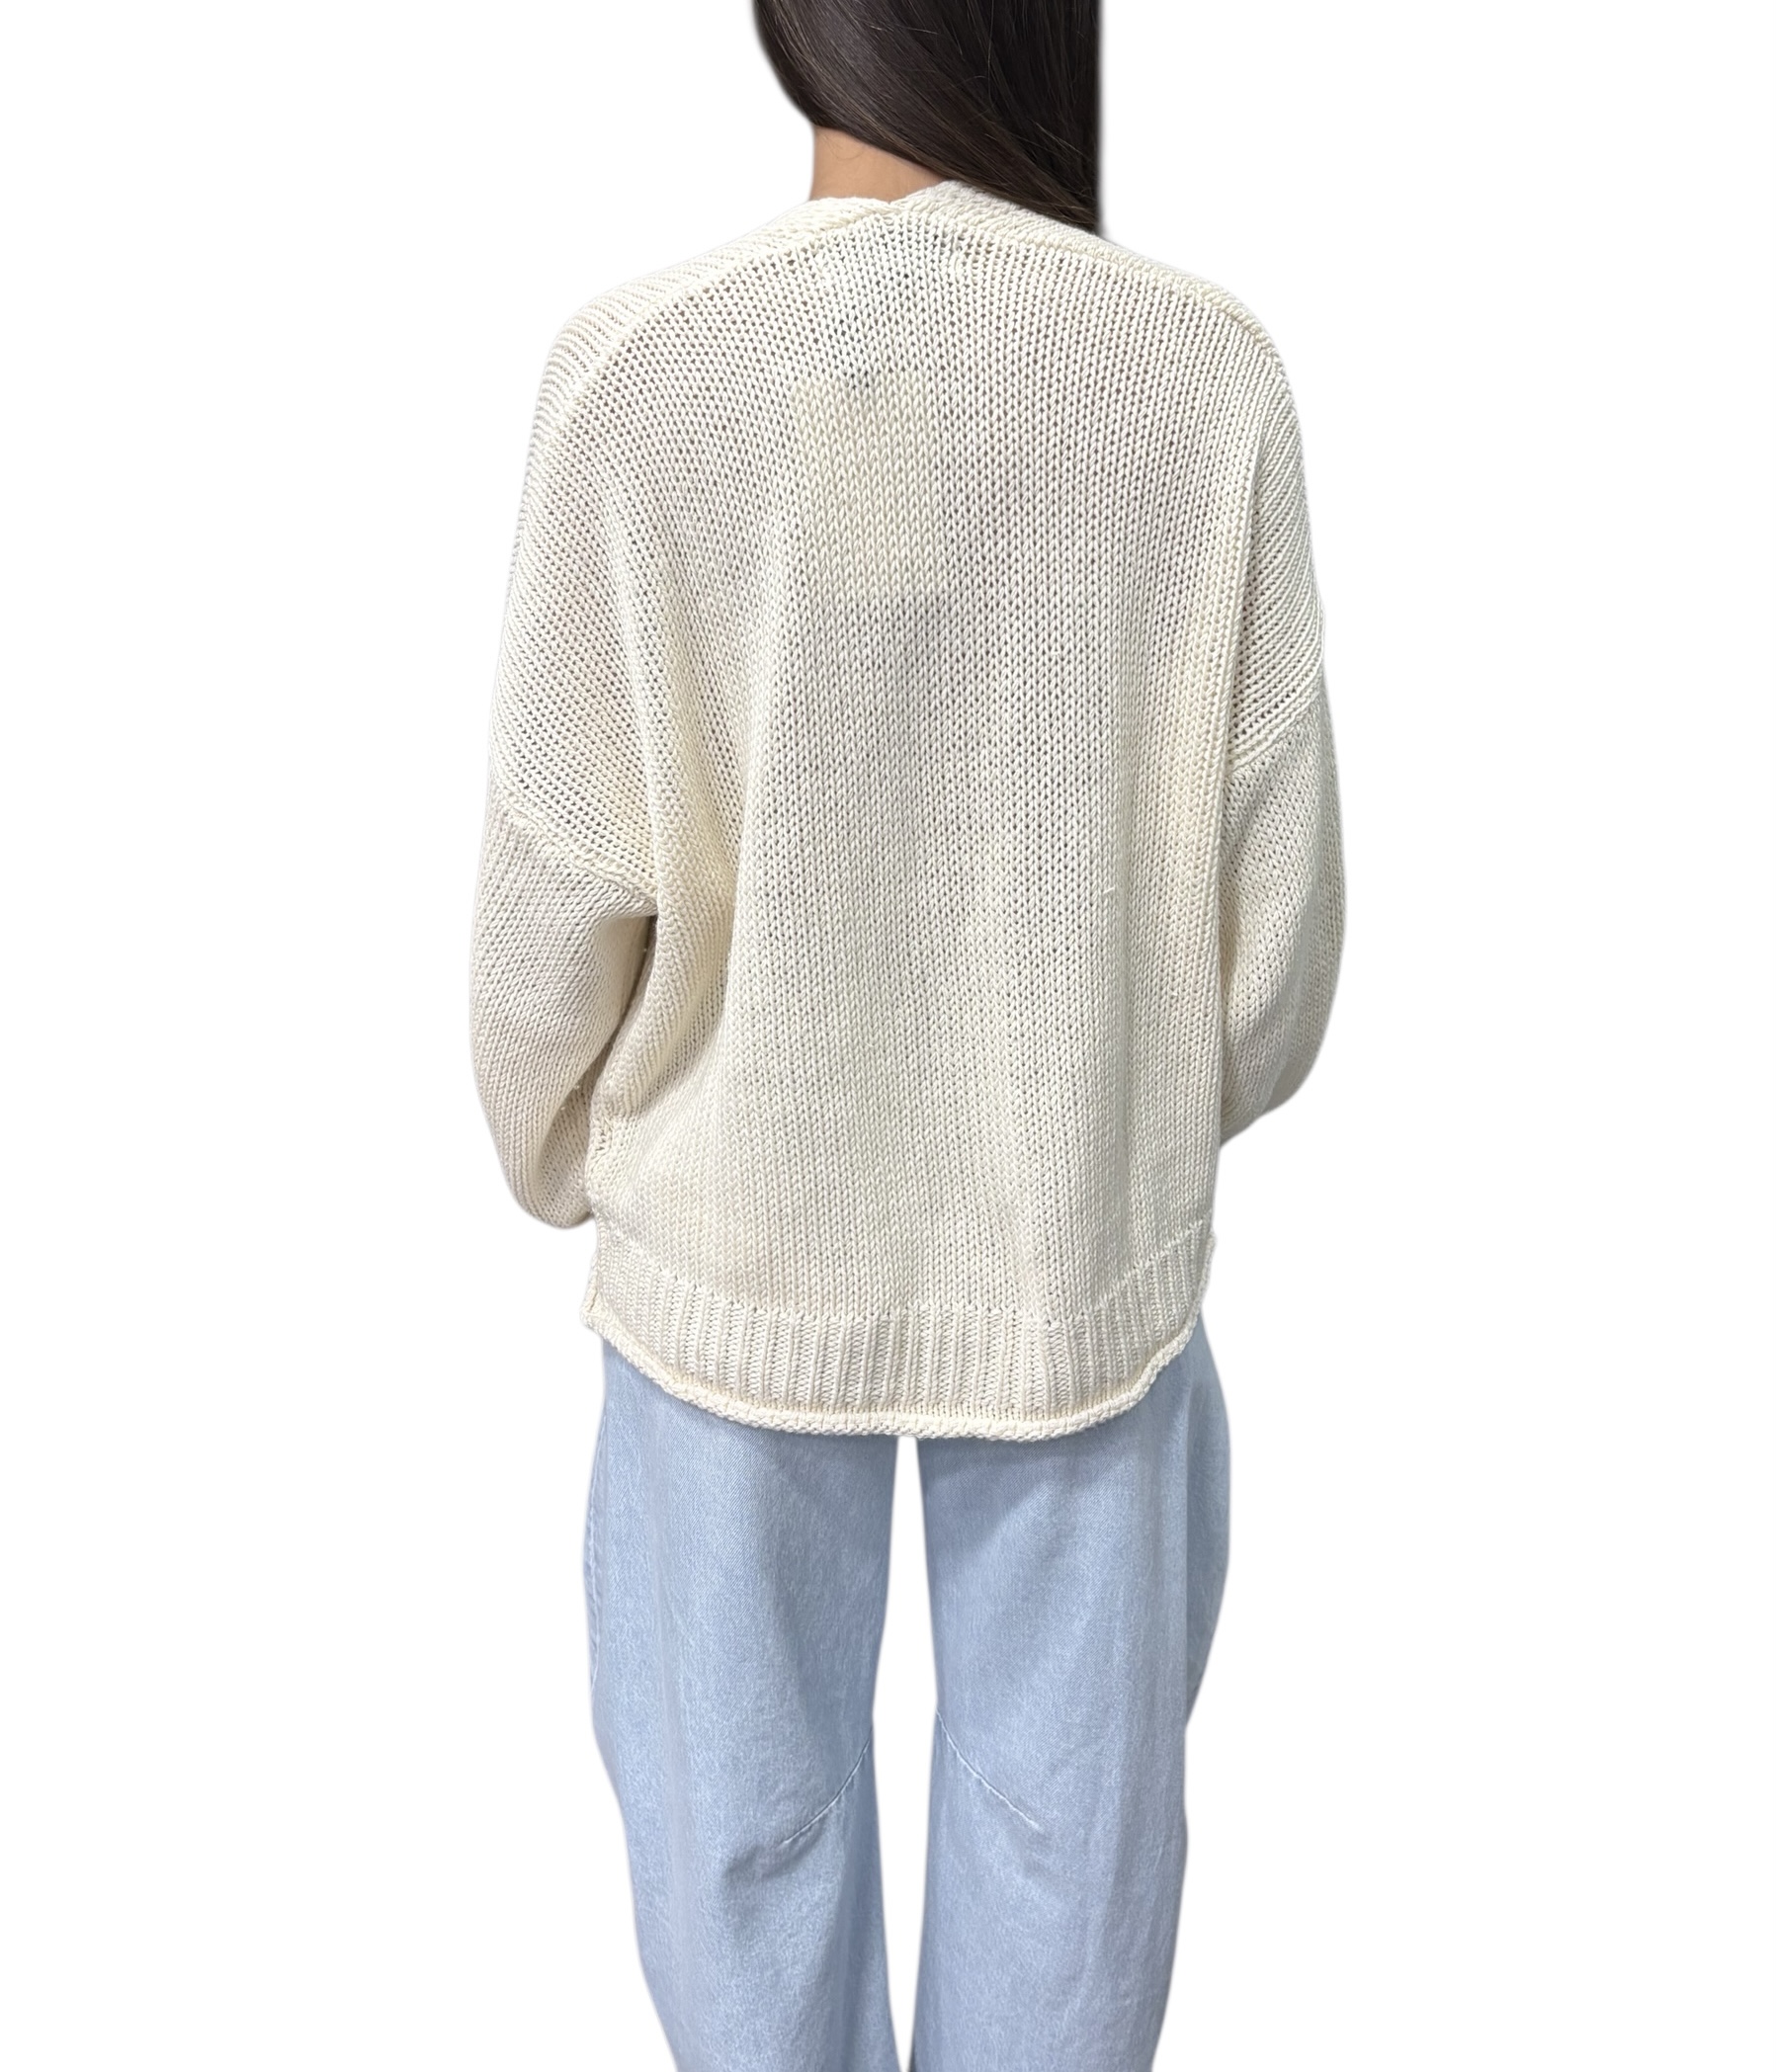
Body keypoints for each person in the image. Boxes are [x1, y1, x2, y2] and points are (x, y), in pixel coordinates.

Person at [468, 0, 1344, 2063]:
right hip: (1072, 1246)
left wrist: (571, 1144)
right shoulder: (1199, 377)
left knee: (736, 1849)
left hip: (728, 1236)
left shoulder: (639, 373)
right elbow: (1278, 923)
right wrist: (1117, 1096)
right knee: (1072, 1850)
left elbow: (552, 891)